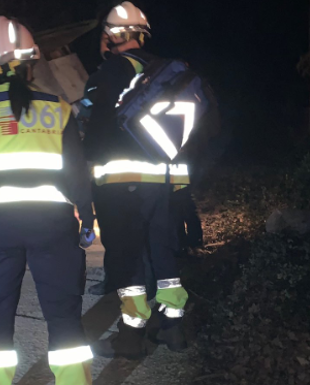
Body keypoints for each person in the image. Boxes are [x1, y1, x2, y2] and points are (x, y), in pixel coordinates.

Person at [0, 17, 96, 385]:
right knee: (64, 313)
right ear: (32, 61)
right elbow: (77, 173)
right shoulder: (60, 109)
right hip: (53, 223)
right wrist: (86, 218)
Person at [82, 2, 189, 359]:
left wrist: (85, 164)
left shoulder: (111, 71)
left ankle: (130, 336)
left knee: (126, 257)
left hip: (120, 181)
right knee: (162, 249)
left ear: (113, 36)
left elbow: (96, 130)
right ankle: (174, 326)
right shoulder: (168, 72)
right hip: (163, 181)